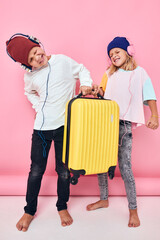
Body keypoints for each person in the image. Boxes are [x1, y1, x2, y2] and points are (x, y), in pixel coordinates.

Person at [6, 34, 93, 231]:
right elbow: (29, 92)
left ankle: (61, 206)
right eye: (31, 58)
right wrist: (39, 107)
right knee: (36, 171)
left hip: (64, 127)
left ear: (40, 45)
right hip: (42, 130)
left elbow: (81, 69)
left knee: (63, 171)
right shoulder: (30, 76)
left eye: (36, 51)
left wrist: (86, 82)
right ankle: (29, 210)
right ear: (27, 65)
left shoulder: (62, 61)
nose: (37, 57)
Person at [88, 37, 159, 227]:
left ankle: (133, 210)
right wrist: (97, 91)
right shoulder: (108, 73)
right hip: (105, 123)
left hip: (124, 126)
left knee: (125, 167)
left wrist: (154, 116)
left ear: (128, 51)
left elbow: (150, 95)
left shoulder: (140, 73)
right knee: (102, 163)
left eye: (117, 52)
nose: (113, 56)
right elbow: (103, 92)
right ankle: (104, 199)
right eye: (111, 55)